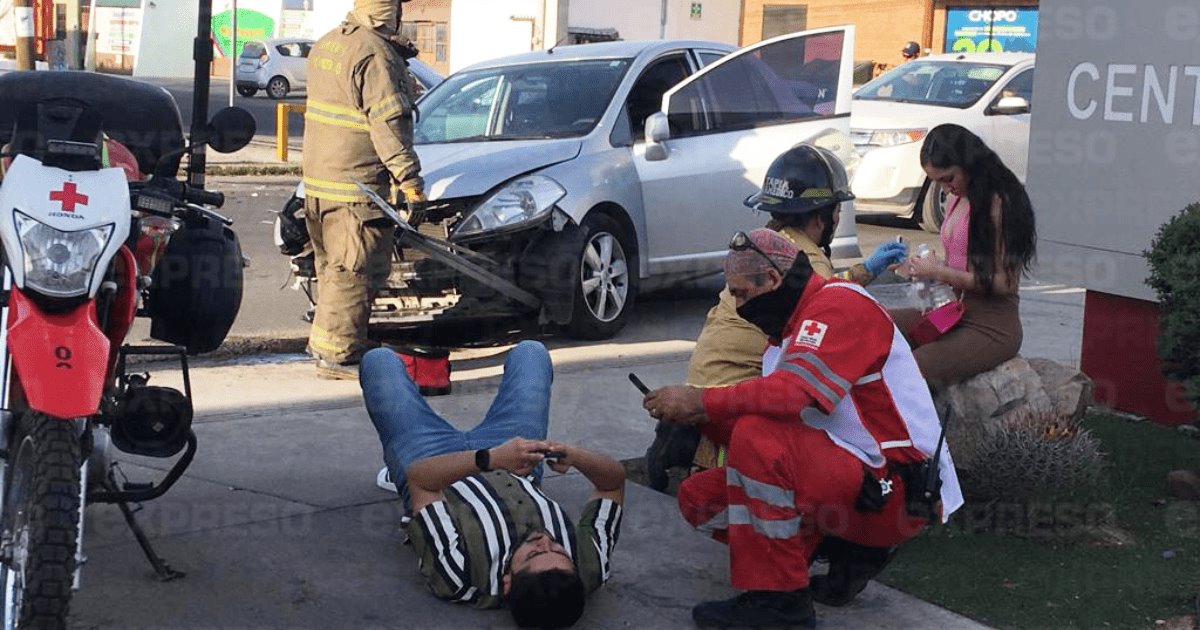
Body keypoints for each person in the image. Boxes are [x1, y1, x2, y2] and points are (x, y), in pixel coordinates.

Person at [642, 228, 962, 628]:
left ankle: (781, 604)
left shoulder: (837, 306)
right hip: (859, 478)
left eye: (741, 293)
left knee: (758, 436)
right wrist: (698, 421)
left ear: (773, 280)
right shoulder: (791, 329)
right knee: (699, 498)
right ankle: (831, 551)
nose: (739, 307)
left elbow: (791, 398)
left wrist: (701, 402)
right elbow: (795, 419)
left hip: (896, 489)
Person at [644, 144, 908, 483]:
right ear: (820, 217)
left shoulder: (768, 247)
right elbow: (831, 312)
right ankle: (714, 455)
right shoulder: (805, 260)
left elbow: (823, 287)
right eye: (836, 210)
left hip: (704, 377)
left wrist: (865, 271)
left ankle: (699, 445)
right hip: (731, 393)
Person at [359, 341, 625, 628]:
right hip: (518, 463)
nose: (545, 540)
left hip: (435, 466)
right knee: (531, 352)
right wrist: (575, 456)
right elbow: (613, 483)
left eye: (535, 553)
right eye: (560, 551)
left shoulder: (459, 574)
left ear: (507, 583)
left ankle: (392, 473)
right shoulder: (588, 567)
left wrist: (491, 458)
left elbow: (421, 481)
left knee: (379, 361)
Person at [301, 0, 426, 379]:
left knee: (332, 270)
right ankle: (338, 357)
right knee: (355, 271)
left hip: (319, 184)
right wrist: (410, 181)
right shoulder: (375, 54)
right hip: (356, 187)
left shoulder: (329, 43)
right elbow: (389, 124)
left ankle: (334, 342)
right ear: (389, 13)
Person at [890, 123, 1036, 391]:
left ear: (969, 165)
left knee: (911, 370)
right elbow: (959, 262)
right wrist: (923, 267)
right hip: (951, 310)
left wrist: (938, 272)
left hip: (991, 325)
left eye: (948, 179)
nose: (946, 188)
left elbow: (1004, 283)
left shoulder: (999, 202)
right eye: (937, 182)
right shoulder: (960, 196)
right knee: (876, 322)